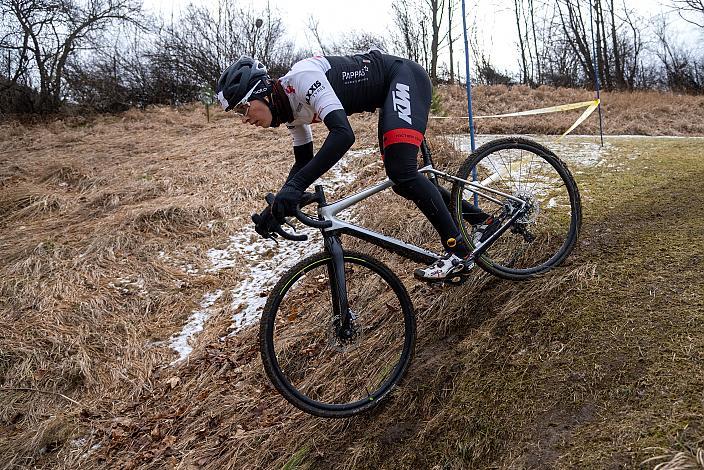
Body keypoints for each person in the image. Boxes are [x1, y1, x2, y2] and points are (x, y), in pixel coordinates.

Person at [215, 50, 498, 281]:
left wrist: (295, 187)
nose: (244, 119)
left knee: (403, 173)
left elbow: (343, 134)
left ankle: (460, 252)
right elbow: (303, 161)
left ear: (261, 92)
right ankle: (482, 222)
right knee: (402, 179)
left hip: (402, 77)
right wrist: (276, 206)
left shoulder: (301, 79)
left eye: (242, 108)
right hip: (388, 93)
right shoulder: (289, 110)